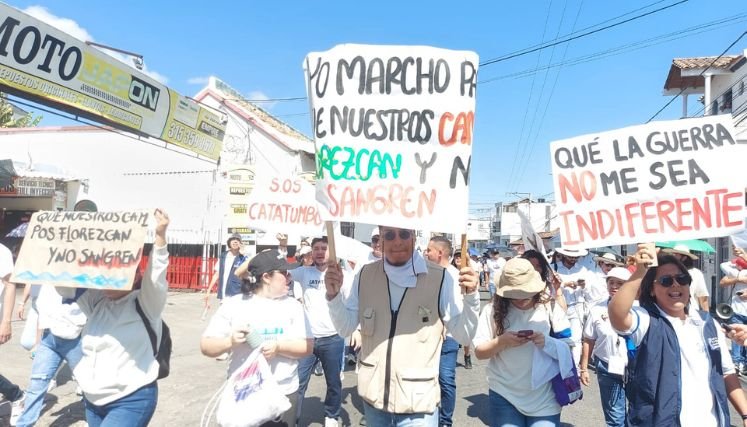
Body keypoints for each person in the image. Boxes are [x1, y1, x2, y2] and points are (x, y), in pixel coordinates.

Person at [324, 226, 480, 426]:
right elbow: (345, 328)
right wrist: (333, 297)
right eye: (389, 235)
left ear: (413, 236)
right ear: (380, 239)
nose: (397, 241)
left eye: (404, 234)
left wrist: (472, 297)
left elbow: (464, 335)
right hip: (374, 402)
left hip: (418, 408)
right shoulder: (365, 275)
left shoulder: (440, 278)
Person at [609, 245, 747, 427]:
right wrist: (641, 270)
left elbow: (726, 373)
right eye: (666, 280)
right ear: (651, 289)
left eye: (682, 279)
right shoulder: (646, 320)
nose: (675, 284)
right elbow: (617, 314)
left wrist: (745, 414)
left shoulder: (707, 323)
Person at [55, 209, 170, 427]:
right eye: (103, 275)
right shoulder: (97, 303)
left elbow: (156, 278)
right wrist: (62, 242)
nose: (105, 281)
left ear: (135, 275)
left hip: (131, 398)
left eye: (113, 275)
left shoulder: (145, 303)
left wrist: (160, 237)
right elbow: (64, 284)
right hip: (92, 401)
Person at [201, 249, 313, 427]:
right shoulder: (235, 304)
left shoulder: (293, 306)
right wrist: (229, 342)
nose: (289, 277)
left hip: (283, 392)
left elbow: (307, 347)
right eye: (283, 273)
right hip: (244, 392)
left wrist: (278, 347)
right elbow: (206, 346)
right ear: (267, 277)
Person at [473, 258, 572, 427]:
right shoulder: (492, 310)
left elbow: (569, 347)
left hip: (545, 396)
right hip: (504, 392)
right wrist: (501, 342)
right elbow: (479, 352)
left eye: (525, 292)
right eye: (514, 294)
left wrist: (546, 342)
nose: (520, 298)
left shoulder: (551, 306)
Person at [14, 284, 87, 427]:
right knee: (36, 385)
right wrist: (38, 342)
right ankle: (23, 424)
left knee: (88, 385)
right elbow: (42, 309)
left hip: (77, 338)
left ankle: (95, 419)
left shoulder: (82, 278)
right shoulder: (48, 278)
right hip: (49, 338)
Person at [291, 237, 345, 427]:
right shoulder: (304, 272)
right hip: (307, 340)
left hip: (333, 338)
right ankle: (292, 419)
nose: (320, 252)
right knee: (297, 383)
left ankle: (331, 415)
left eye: (324, 248)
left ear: (331, 252)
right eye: (316, 249)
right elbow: (280, 273)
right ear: (311, 252)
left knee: (334, 383)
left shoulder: (341, 274)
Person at [579, 267, 632, 427]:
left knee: (638, 415)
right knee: (615, 418)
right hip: (607, 367)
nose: (614, 286)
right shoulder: (597, 309)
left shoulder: (639, 308)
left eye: (620, 283)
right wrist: (583, 368)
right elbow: (589, 339)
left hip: (636, 368)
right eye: (611, 282)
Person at [424, 236, 462, 427]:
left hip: (448, 337)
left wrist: (444, 328)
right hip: (427, 337)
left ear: (440, 253)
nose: (425, 253)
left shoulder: (454, 276)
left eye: (429, 250)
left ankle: (445, 421)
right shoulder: (427, 274)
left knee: (446, 379)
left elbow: (455, 310)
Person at [552, 247, 593, 364]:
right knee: (560, 337)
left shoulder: (582, 269)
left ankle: (574, 368)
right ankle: (560, 365)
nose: (573, 259)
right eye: (570, 256)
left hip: (577, 306)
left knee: (575, 339)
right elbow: (549, 288)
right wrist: (565, 285)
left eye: (576, 257)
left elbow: (589, 292)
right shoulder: (554, 267)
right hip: (559, 306)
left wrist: (583, 285)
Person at [1, 242, 25, 425]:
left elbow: (10, 286)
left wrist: (6, 322)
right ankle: (15, 394)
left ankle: (16, 395)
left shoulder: (2, 252)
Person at [719, 246, 747, 375]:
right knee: (736, 336)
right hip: (737, 310)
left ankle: (742, 363)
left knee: (743, 338)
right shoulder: (736, 272)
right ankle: (737, 362)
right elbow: (722, 280)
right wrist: (737, 276)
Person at [661, 244, 709, 311]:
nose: (673, 256)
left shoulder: (696, 273)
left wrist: (707, 316)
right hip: (669, 311)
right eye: (673, 254)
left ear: (684, 257)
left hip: (691, 312)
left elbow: (702, 297)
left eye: (676, 254)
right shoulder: (667, 271)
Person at [207, 234, 247, 304]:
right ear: (229, 243)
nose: (235, 242)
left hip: (237, 293)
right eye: (233, 240)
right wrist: (208, 291)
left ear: (241, 244)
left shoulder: (244, 257)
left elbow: (247, 274)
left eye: (237, 240)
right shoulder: (223, 256)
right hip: (223, 293)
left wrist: (243, 255)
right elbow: (217, 274)